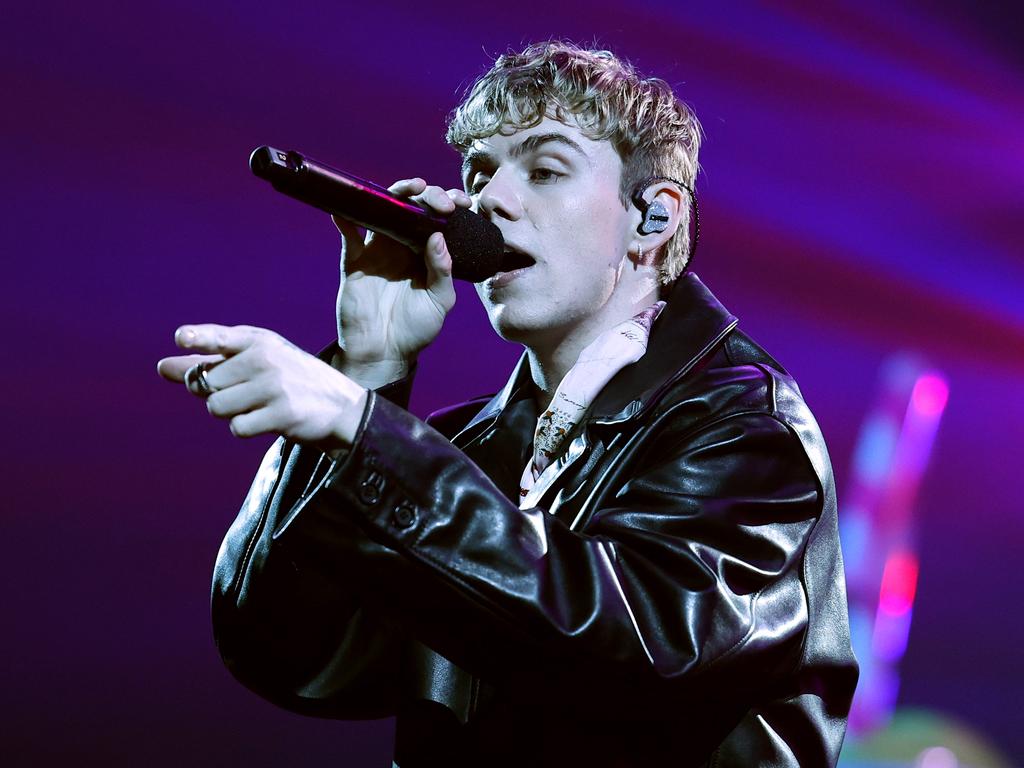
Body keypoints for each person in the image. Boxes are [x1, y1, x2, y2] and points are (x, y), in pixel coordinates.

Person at [158, 41, 858, 767]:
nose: (488, 200)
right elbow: (295, 659)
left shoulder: (744, 427)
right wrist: (370, 369)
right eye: (479, 172)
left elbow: (644, 655)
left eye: (545, 169)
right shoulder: (460, 451)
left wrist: (364, 432)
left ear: (654, 219)